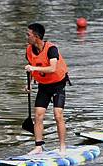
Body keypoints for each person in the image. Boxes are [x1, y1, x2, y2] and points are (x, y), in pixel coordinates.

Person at [24, 23, 69, 154]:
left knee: (58, 115)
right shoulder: (28, 50)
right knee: (38, 115)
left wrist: (33, 68)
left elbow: (52, 68)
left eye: (28, 34)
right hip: (43, 86)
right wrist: (29, 84)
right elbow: (32, 67)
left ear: (36, 36)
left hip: (58, 85)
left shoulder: (51, 49)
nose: (26, 37)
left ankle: (62, 146)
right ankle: (38, 147)